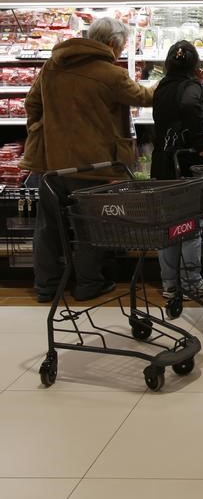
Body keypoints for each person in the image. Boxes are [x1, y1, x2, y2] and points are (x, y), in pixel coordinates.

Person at [21, 17, 154, 303]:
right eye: (122, 45)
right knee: (92, 225)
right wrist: (171, 84)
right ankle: (88, 285)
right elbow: (143, 96)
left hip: (52, 165)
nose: (121, 50)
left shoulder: (53, 65)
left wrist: (43, 133)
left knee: (48, 227)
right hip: (95, 166)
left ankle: (46, 286)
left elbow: (31, 103)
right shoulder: (110, 74)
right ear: (110, 44)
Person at [150, 41, 203, 299]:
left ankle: (169, 284)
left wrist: (198, 85)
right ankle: (192, 282)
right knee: (190, 226)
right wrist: (202, 143)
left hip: (163, 162)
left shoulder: (163, 87)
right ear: (195, 65)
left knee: (167, 226)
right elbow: (191, 107)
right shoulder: (189, 87)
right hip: (183, 164)